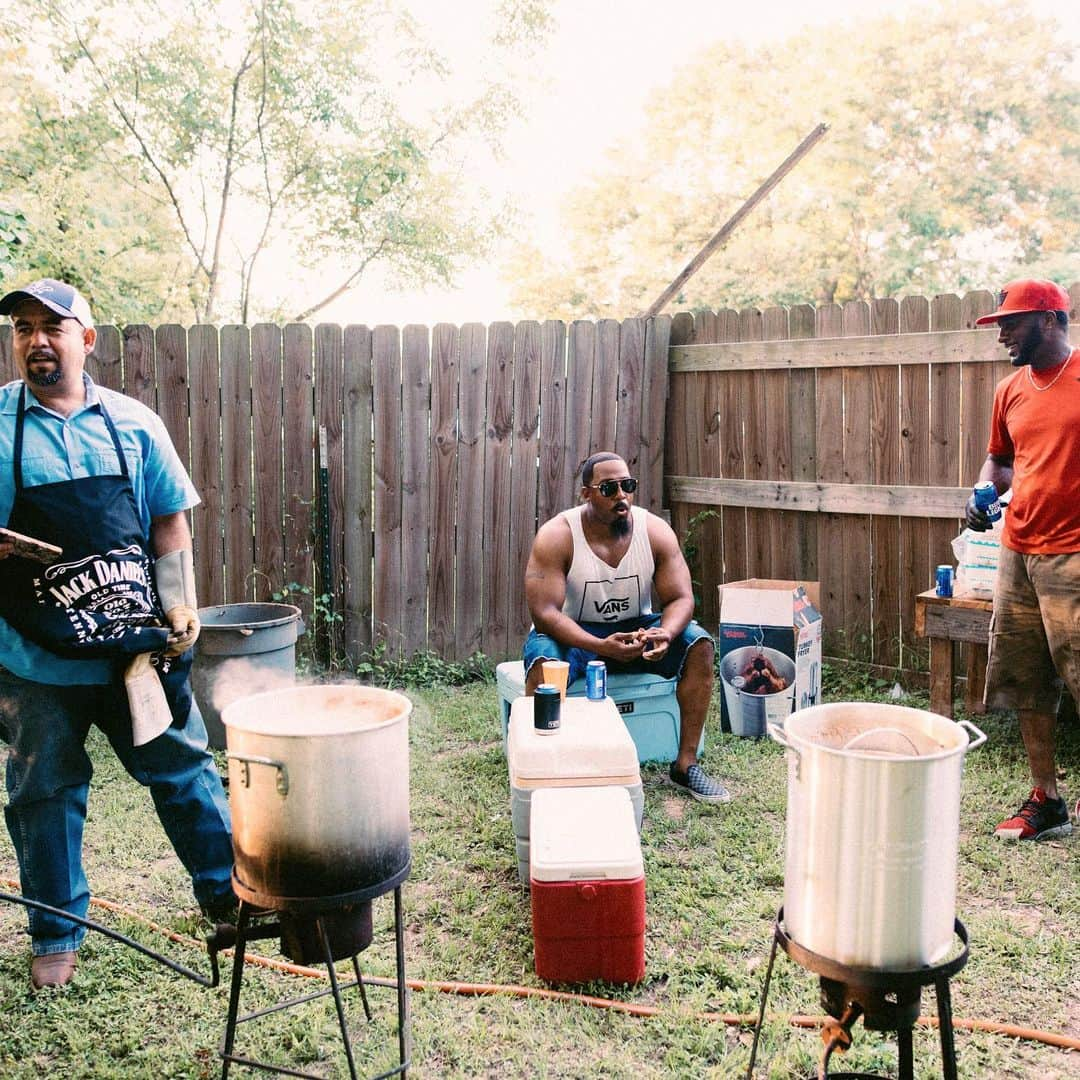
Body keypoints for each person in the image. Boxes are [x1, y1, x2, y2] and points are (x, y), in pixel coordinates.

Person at [0, 278, 234, 990]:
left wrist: (180, 603)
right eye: (24, 329)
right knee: (43, 792)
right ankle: (54, 933)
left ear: (86, 341)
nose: (37, 340)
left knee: (183, 770)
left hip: (133, 648)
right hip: (34, 656)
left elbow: (168, 518)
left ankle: (231, 901)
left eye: (54, 327)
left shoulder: (133, 422)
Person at [523, 451, 729, 803]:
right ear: (586, 494)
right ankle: (546, 767)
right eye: (608, 488)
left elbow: (681, 599)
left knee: (699, 645)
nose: (621, 495)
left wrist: (664, 632)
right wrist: (600, 646)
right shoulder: (557, 535)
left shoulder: (653, 531)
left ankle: (685, 765)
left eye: (627, 486)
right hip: (573, 632)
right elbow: (545, 613)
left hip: (636, 631)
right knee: (545, 665)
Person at [966, 278, 1077, 841]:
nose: (1002, 333)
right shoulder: (1009, 389)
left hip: (1075, 557)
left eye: (1011, 323)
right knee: (1027, 679)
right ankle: (1047, 799)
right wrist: (983, 491)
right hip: (1018, 553)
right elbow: (1000, 460)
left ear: (1051, 319)